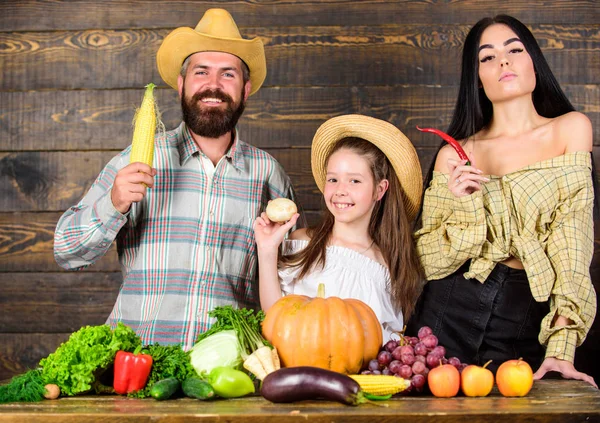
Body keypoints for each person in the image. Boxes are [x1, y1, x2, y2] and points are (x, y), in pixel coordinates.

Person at [53, 9, 297, 349]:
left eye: (228, 74)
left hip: (227, 374)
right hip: (138, 365)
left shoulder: (268, 174)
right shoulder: (136, 161)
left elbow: (288, 283)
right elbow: (66, 251)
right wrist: (114, 203)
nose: (213, 85)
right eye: (201, 72)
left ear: (246, 88)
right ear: (182, 84)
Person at [406, 14, 597, 387]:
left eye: (514, 50)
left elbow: (573, 238)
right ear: (476, 77)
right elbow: (428, 257)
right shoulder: (456, 154)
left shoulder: (571, 129)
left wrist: (562, 346)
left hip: (524, 309)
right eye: (487, 57)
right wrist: (464, 204)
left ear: (533, 62)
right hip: (447, 307)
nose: (504, 61)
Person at [254, 114, 424, 342]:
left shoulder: (383, 266)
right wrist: (267, 250)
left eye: (354, 181)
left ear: (379, 190)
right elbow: (274, 316)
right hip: (297, 373)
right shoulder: (302, 242)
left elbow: (386, 342)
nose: (340, 190)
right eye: (333, 179)